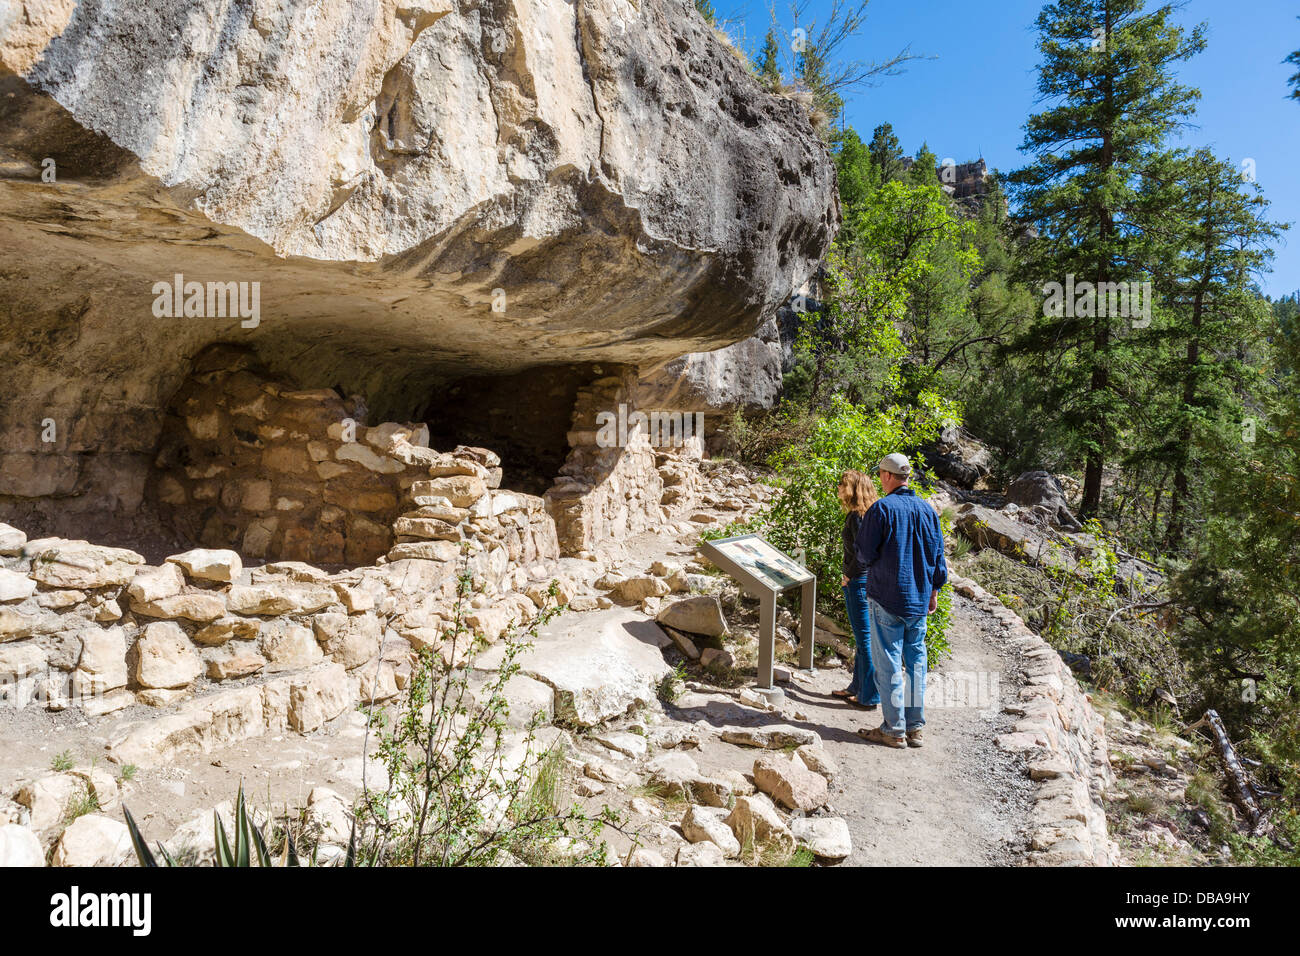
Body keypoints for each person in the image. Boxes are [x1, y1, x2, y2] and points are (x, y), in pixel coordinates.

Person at [854, 453, 947, 749]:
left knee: (890, 663)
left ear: (887, 476)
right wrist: (933, 592)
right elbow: (938, 559)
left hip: (887, 596)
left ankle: (894, 730)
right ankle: (915, 728)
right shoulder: (928, 511)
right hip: (919, 599)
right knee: (917, 662)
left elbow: (864, 554)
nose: (880, 478)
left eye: (881, 473)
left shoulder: (881, 510)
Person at [831, 470, 880, 710]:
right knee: (862, 639)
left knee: (864, 639)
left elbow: (863, 555)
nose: (838, 488)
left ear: (853, 488)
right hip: (863, 581)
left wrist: (847, 575)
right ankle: (856, 688)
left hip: (858, 582)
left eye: (842, 484)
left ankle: (869, 695)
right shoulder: (864, 514)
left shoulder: (858, 517)